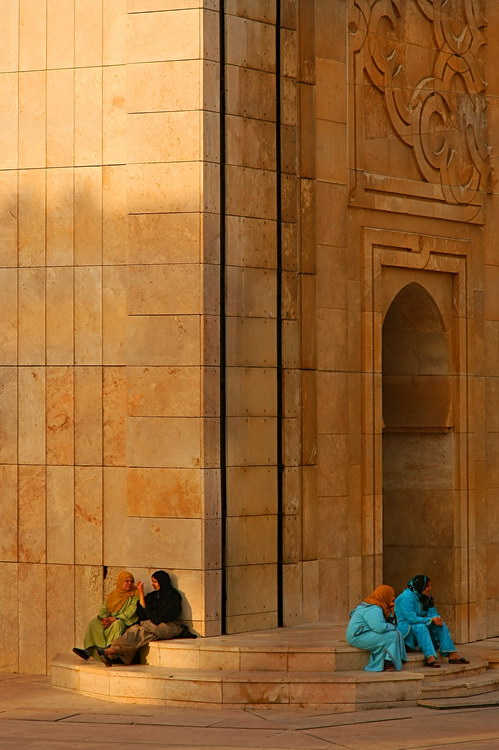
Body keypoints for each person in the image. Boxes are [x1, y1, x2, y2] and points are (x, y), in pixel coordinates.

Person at [99, 570, 190, 666]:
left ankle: (110, 651)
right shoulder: (153, 596)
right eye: (152, 582)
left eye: (155, 582)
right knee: (136, 631)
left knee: (141, 630)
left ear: (162, 582)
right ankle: (114, 654)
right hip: (151, 625)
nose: (153, 584)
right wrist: (141, 593)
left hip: (170, 626)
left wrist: (150, 617)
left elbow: (169, 614)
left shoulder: (172, 596)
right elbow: (142, 612)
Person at [395, 575, 470, 668]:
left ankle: (451, 653)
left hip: (420, 622)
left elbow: (432, 612)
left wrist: (436, 618)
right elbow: (411, 618)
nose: (429, 588)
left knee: (440, 625)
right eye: (427, 586)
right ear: (420, 586)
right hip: (406, 627)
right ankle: (430, 656)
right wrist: (430, 620)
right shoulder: (406, 597)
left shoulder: (426, 597)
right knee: (421, 627)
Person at [72, 571, 139, 661]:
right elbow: (104, 609)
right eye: (126, 581)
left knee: (117, 625)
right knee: (94, 622)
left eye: (131, 581)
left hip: (123, 620)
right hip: (109, 619)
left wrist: (114, 618)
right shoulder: (113, 595)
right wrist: (105, 618)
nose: (129, 584)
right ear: (120, 582)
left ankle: (109, 652)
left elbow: (131, 611)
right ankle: (89, 651)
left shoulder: (134, 595)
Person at [346, 584, 406, 672]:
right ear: (385, 595)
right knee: (392, 635)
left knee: (396, 633)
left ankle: (388, 661)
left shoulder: (377, 605)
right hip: (357, 636)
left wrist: (391, 612)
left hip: (365, 633)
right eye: (391, 595)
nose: (393, 598)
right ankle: (388, 662)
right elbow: (379, 628)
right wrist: (392, 626)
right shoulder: (373, 608)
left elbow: (383, 626)